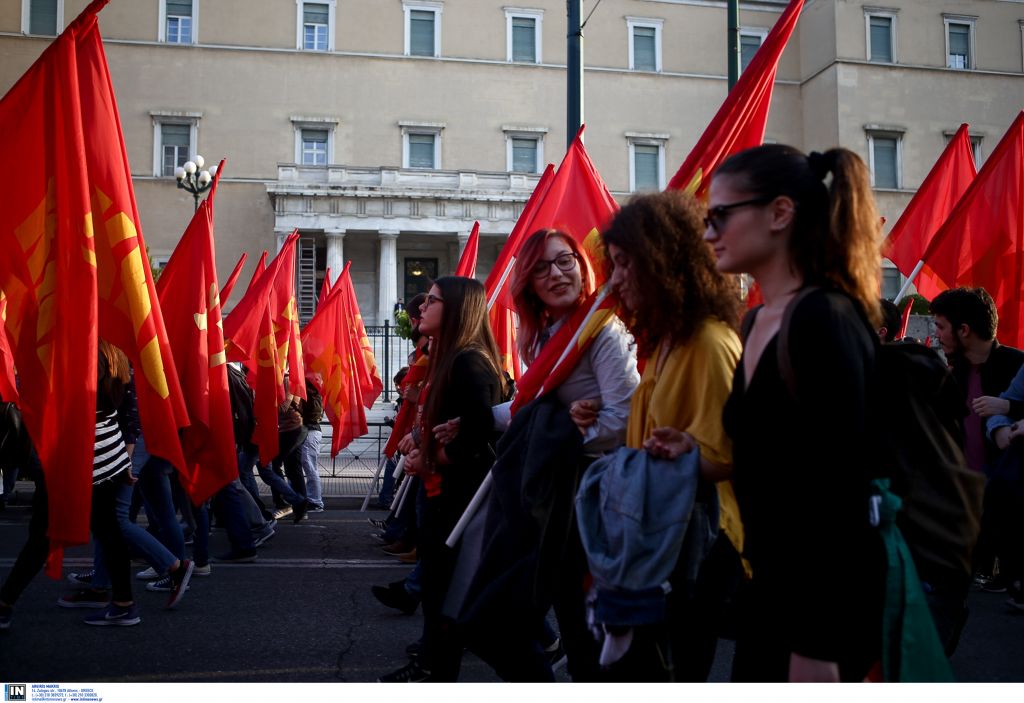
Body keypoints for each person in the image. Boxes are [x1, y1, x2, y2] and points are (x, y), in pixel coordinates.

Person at [706, 145, 886, 682]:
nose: (710, 232)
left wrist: (818, 646)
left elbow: (840, 497)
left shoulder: (824, 318)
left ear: (780, 213)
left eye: (721, 215)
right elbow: (771, 459)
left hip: (821, 622)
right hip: (767, 595)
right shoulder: (755, 320)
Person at [596, 191, 743, 681]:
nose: (615, 278)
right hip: (656, 535)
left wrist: (684, 453)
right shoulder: (667, 342)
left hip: (691, 544)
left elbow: (733, 458)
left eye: (623, 263)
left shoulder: (708, 343)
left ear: (661, 261)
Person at [378, 277, 508, 683]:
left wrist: (431, 457)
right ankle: (432, 666)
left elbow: (476, 434)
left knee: (453, 600)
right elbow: (440, 424)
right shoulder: (450, 358)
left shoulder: (469, 362)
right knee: (438, 594)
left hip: (460, 501)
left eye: (431, 302)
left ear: (454, 310)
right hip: (443, 494)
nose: (420, 310)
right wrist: (420, 445)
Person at [932, 287, 1024, 592]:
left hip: (1006, 501)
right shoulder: (948, 375)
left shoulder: (1016, 367)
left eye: (941, 326)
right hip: (964, 506)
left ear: (965, 330)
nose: (937, 335)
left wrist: (1009, 408)